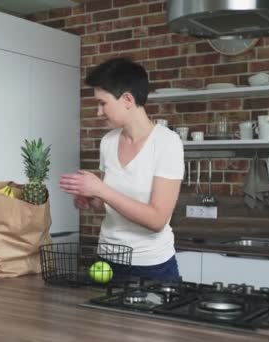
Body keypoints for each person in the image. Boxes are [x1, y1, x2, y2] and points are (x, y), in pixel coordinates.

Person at [59, 57, 184, 280]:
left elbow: (157, 220)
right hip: (107, 260)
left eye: (102, 103)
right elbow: (109, 204)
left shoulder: (167, 143)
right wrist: (92, 198)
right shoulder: (108, 141)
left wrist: (101, 190)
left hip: (151, 267)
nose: (98, 112)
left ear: (127, 99)